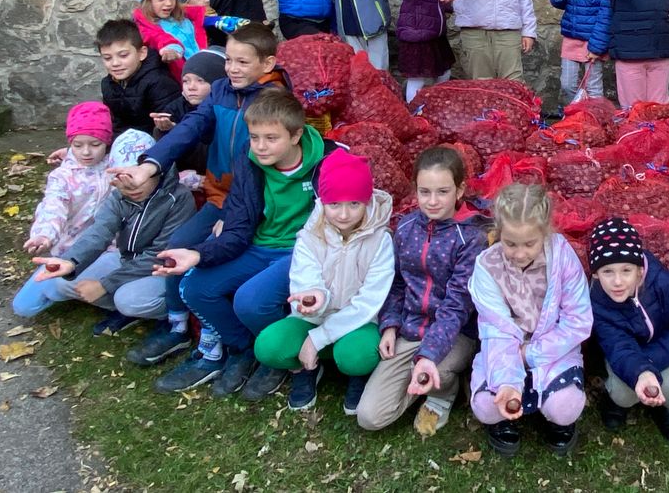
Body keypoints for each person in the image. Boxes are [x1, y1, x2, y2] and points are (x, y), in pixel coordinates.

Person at [117, 24, 289, 373]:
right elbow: (192, 127)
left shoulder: (275, 101)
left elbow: (258, 165)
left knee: (207, 258)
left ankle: (216, 343)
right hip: (218, 196)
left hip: (251, 203)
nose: (232, 69)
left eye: (243, 62)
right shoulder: (223, 91)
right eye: (229, 60)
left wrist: (236, 212)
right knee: (178, 244)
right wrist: (150, 165)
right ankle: (178, 326)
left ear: (268, 62)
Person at [150, 89, 336, 401]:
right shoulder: (249, 161)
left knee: (250, 301)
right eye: (254, 137)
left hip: (302, 251)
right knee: (194, 288)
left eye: (270, 138)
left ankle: (292, 357)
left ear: (296, 135)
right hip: (258, 244)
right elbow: (237, 225)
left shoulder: (328, 159)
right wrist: (198, 252)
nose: (260, 146)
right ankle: (246, 349)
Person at [357, 146, 487, 434]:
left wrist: (428, 355)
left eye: (442, 192)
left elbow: (457, 306)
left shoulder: (471, 239)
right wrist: (390, 326)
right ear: (415, 189)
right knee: (370, 417)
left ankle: (442, 393)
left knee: (439, 368)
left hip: (456, 334)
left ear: (460, 189)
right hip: (411, 329)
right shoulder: (405, 229)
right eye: (424, 192)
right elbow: (398, 284)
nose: (432, 201)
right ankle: (420, 379)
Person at [253, 148, 394, 412]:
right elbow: (304, 277)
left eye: (354, 204)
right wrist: (313, 298)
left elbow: (370, 300)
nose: (343, 214)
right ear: (323, 201)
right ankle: (305, 369)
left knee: (357, 356)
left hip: (358, 323)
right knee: (268, 346)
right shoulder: (309, 235)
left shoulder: (380, 240)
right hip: (314, 318)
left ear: (366, 201)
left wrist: (318, 339)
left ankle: (356, 375)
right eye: (334, 204)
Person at [26, 129, 192, 335]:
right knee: (62, 282)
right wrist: (71, 261)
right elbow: (100, 231)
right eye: (120, 179)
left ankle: (167, 313)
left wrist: (105, 285)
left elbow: (160, 255)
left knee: (129, 300)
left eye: (135, 178)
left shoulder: (179, 199)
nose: (129, 186)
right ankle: (126, 307)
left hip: (161, 269)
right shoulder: (119, 194)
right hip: (124, 259)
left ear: (155, 171)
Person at [468, 184, 592, 458]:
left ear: (545, 233)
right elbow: (495, 328)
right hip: (504, 347)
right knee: (487, 407)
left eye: (530, 244)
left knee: (565, 407)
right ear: (499, 232)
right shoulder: (486, 266)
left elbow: (578, 319)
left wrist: (533, 353)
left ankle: (557, 417)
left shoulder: (561, 258)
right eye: (510, 243)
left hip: (554, 348)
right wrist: (508, 382)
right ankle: (509, 408)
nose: (520, 253)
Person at [589, 218, 669, 444]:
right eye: (608, 271)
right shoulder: (597, 299)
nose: (617, 281)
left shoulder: (665, 284)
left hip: (664, 350)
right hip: (626, 353)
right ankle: (616, 401)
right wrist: (640, 371)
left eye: (626, 270)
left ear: (639, 270)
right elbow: (616, 344)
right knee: (623, 395)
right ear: (597, 274)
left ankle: (665, 408)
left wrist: (647, 363)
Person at [13, 103, 116, 317]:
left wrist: (192, 178)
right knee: (24, 307)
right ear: (70, 143)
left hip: (109, 248)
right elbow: (53, 206)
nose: (86, 152)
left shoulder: (115, 166)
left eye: (95, 144)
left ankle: (109, 300)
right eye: (78, 145)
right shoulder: (62, 176)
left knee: (59, 287)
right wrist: (44, 235)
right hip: (68, 251)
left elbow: (149, 175)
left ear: (106, 141)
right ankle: (78, 288)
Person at [132, 0, 246, 84]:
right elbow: (157, 37)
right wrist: (171, 48)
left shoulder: (183, 17)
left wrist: (222, 22)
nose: (169, 3)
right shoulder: (145, 26)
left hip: (203, 72)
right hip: (181, 82)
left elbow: (201, 19)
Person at [149, 48, 227, 177]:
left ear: (218, 83)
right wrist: (163, 129)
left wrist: (176, 130)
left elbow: (210, 155)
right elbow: (166, 151)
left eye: (200, 80)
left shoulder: (225, 111)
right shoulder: (175, 107)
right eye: (186, 81)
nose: (191, 87)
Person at [96, 19, 181, 137]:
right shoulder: (108, 84)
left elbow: (175, 124)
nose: (115, 63)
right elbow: (115, 124)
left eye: (123, 55)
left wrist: (167, 125)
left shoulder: (158, 82)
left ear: (142, 53)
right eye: (107, 58)